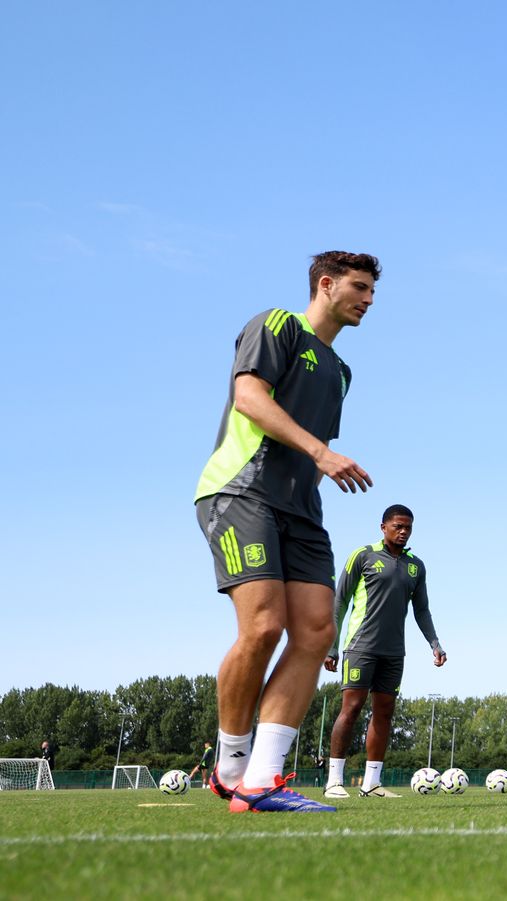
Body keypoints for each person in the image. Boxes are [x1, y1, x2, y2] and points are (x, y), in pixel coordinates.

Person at [193, 251, 378, 813]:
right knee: (265, 625)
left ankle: (262, 780)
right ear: (326, 284)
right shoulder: (278, 325)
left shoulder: (342, 372)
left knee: (318, 632)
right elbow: (250, 397)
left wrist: (317, 463)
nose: (369, 301)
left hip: (302, 511)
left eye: (373, 292)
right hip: (240, 493)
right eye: (360, 288)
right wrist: (323, 453)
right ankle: (229, 767)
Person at [322, 504, 447, 798]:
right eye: (398, 527)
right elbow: (339, 602)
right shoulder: (363, 556)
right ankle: (334, 781)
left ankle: (371, 783)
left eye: (408, 528)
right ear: (383, 527)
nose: (403, 532)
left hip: (394, 652)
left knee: (384, 713)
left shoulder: (416, 566)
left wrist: (435, 643)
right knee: (351, 709)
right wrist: (331, 646)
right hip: (360, 646)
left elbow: (422, 610)